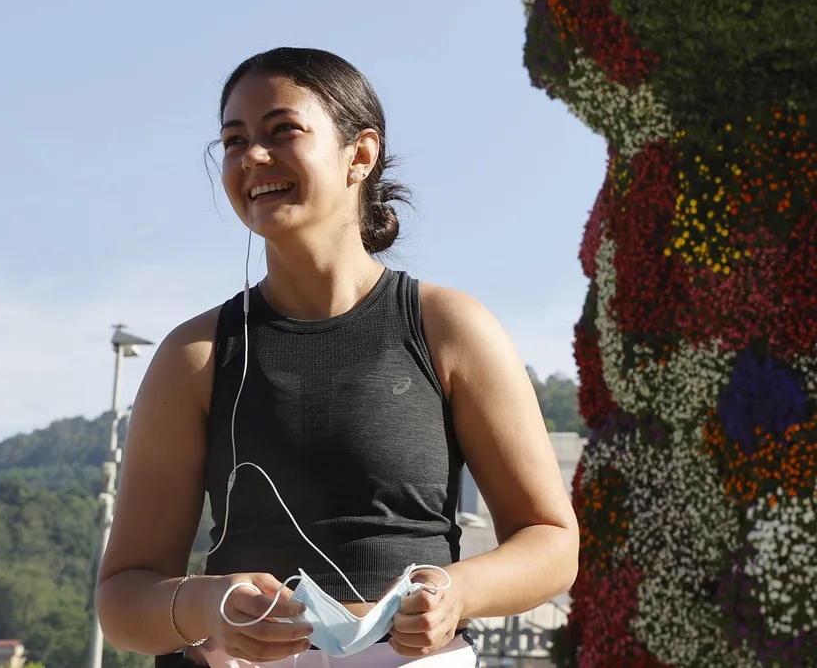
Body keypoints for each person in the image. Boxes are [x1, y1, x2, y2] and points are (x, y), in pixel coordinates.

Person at [97, 48, 578, 668]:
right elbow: (121, 599)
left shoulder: (450, 328)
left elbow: (551, 541)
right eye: (234, 141)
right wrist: (206, 605)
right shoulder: (194, 356)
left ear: (361, 154)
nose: (253, 158)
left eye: (281, 131)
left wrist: (458, 591)